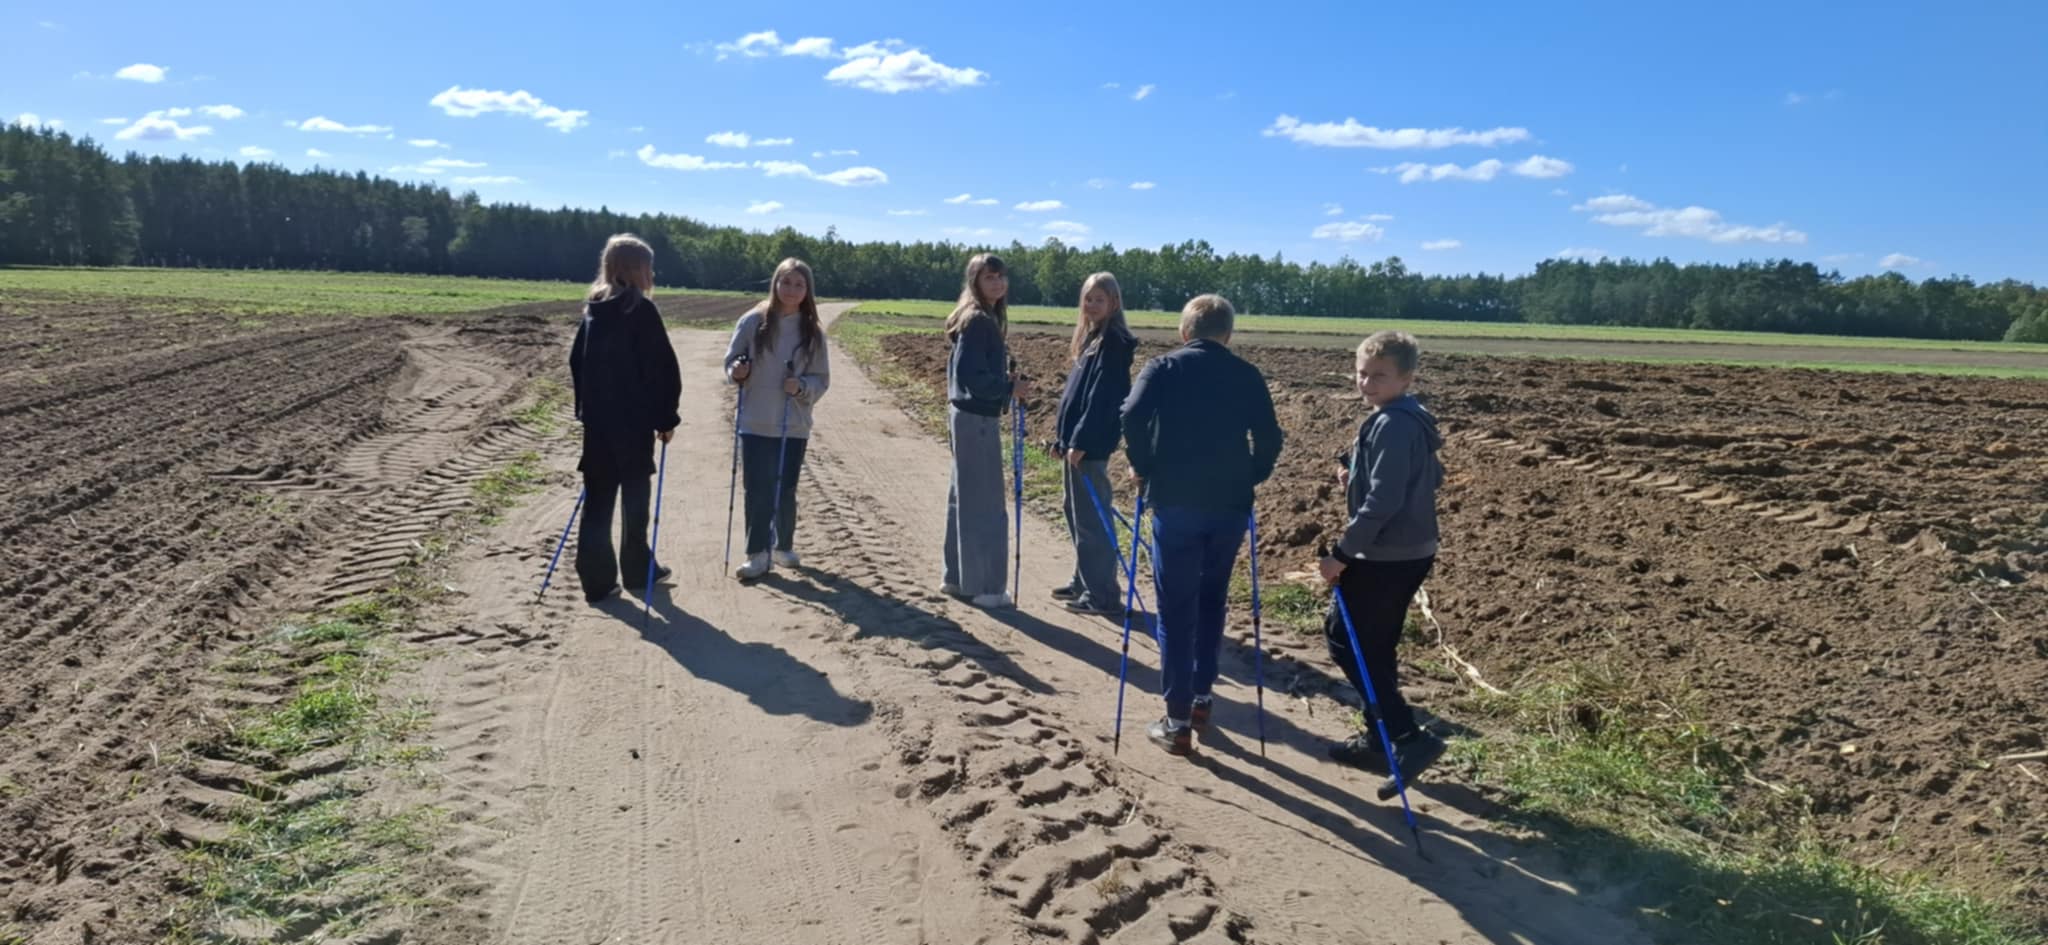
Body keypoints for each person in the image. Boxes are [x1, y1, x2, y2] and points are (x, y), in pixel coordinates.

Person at [1121, 293, 1283, 754]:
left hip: (1175, 501)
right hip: (1230, 504)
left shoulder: (1163, 368)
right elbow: (1270, 437)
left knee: (1176, 608)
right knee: (1212, 598)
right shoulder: (1246, 374)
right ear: (1227, 334)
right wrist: (1252, 474)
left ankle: (1176, 720)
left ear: (1184, 331)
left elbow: (1130, 414)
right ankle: (1201, 697)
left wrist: (1143, 465)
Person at [1318, 330, 1448, 796]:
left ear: (1407, 378)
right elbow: (1427, 476)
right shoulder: (1409, 417)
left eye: (1379, 376)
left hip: (1386, 554)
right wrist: (1353, 473)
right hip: (1410, 550)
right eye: (1361, 373)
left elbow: (1384, 500)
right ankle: (1378, 739)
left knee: (1346, 639)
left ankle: (1408, 737)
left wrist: (1341, 555)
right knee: (1373, 644)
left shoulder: (1393, 424)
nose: (1367, 383)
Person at [568, 233, 681, 604]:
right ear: (635, 270)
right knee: (635, 502)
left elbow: (576, 362)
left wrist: (585, 409)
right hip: (633, 426)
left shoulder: (593, 310)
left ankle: (596, 581)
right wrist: (666, 417)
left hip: (599, 427)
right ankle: (636, 570)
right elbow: (661, 368)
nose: (652, 274)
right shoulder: (641, 311)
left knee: (597, 504)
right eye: (649, 267)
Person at [724, 258, 832, 581]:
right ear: (775, 283)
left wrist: (801, 387)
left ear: (807, 291)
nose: (791, 290)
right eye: (786, 282)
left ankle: (783, 545)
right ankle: (757, 553)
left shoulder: (813, 332)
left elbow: (821, 379)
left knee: (785, 488)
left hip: (793, 424)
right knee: (757, 489)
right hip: (755, 420)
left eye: (799, 284)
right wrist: (737, 371)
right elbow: (731, 362)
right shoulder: (752, 321)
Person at [942, 252, 1032, 608]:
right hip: (977, 419)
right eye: (989, 277)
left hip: (964, 416)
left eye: (1000, 276)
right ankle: (988, 588)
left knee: (963, 497)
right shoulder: (979, 320)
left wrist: (1001, 380)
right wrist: (1009, 388)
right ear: (975, 282)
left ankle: (957, 577)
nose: (998, 283)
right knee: (987, 504)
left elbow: (970, 372)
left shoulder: (972, 317)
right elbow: (971, 376)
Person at [1051, 272, 1136, 617]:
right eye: (1088, 298)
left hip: (1090, 446)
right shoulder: (1093, 338)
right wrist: (1063, 439)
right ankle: (1084, 580)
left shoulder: (1113, 343)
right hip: (1075, 444)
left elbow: (1102, 399)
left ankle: (1102, 594)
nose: (1092, 304)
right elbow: (1076, 396)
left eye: (1099, 299)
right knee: (1075, 513)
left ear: (1114, 303)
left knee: (1092, 519)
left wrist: (1081, 440)